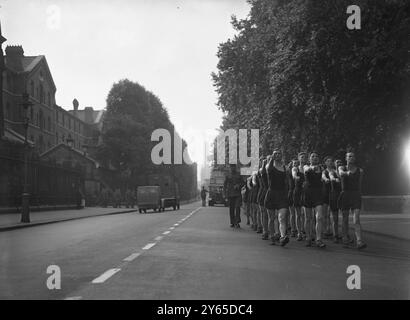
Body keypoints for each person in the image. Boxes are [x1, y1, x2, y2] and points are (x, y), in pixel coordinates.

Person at [338, 152, 366, 249]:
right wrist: (347, 173)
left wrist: (359, 195)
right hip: (345, 194)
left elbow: (360, 184)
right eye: (349, 156)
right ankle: (345, 238)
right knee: (345, 218)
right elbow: (341, 173)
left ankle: (359, 241)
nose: (351, 158)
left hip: (355, 195)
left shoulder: (360, 171)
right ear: (346, 158)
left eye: (353, 156)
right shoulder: (341, 168)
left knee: (356, 219)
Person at [265, 150, 290, 246]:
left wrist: (287, 193)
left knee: (282, 217)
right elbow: (268, 169)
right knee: (271, 218)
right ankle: (272, 236)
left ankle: (283, 236)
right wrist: (271, 158)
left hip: (282, 195)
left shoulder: (285, 168)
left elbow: (287, 181)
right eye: (275, 154)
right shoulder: (269, 166)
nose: (278, 155)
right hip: (271, 194)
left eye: (279, 153)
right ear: (273, 156)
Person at [303, 152, 326, 248]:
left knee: (319, 217)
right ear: (309, 159)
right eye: (312, 156)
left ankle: (318, 239)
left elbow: (324, 175)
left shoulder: (322, 169)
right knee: (308, 218)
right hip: (308, 193)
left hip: (318, 194)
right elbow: (307, 170)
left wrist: (325, 178)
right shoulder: (306, 167)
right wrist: (312, 168)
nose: (315, 158)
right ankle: (308, 237)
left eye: (316, 156)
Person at [292, 153, 307, 241]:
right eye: (302, 157)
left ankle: (305, 231)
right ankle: (299, 232)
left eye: (305, 157)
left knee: (306, 214)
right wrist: (296, 176)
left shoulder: (308, 168)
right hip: (297, 192)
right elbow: (293, 174)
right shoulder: (295, 168)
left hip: (306, 192)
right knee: (298, 214)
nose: (303, 158)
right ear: (299, 159)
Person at [329, 159, 343, 243]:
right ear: (334, 164)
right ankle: (335, 235)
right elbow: (331, 177)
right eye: (337, 162)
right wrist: (334, 179)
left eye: (340, 162)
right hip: (334, 195)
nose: (339, 163)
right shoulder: (332, 172)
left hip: (342, 195)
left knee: (344, 216)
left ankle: (345, 234)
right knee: (335, 217)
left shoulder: (343, 172)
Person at [322, 156, 334, 239]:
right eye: (328, 161)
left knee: (331, 213)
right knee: (325, 213)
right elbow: (323, 176)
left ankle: (330, 229)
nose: (330, 162)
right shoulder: (324, 171)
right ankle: (325, 230)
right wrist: (326, 179)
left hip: (333, 193)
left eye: (331, 161)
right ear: (325, 163)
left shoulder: (335, 171)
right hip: (325, 193)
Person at [259, 157, 270, 240]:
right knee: (265, 214)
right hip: (265, 192)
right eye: (269, 159)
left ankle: (276, 232)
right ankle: (265, 230)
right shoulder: (262, 170)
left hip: (276, 192)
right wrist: (263, 164)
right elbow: (263, 173)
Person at [287, 160, 297, 237]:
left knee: (300, 214)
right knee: (292, 213)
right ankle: (293, 229)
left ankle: (299, 229)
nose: (296, 165)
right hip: (291, 192)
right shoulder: (290, 172)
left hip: (299, 193)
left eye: (297, 163)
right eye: (294, 163)